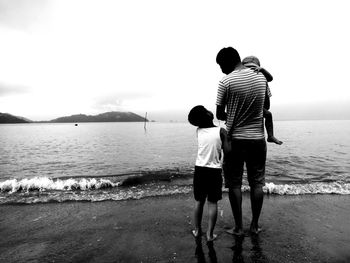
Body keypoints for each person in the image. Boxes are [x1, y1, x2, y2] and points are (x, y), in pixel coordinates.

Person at [215, 47, 267, 235]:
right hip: (258, 140)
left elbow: (219, 114)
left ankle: (238, 227)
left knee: (235, 183)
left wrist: (235, 114)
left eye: (221, 65)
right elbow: (266, 106)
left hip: (235, 139)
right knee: (257, 183)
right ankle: (254, 226)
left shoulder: (226, 81)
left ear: (229, 61)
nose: (221, 70)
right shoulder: (261, 77)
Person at [188, 105, 231, 242]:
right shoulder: (222, 131)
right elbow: (228, 151)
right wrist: (229, 138)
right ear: (208, 114)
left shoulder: (198, 131)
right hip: (214, 171)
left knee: (198, 201)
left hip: (200, 170)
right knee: (212, 203)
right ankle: (209, 234)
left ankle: (197, 230)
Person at [242, 56, 282, 145]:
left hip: (258, 106)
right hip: (247, 106)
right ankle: (270, 136)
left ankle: (270, 136)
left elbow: (270, 78)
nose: (250, 69)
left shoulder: (260, 74)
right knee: (268, 114)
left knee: (268, 114)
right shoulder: (241, 77)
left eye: (253, 67)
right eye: (247, 67)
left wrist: (262, 70)